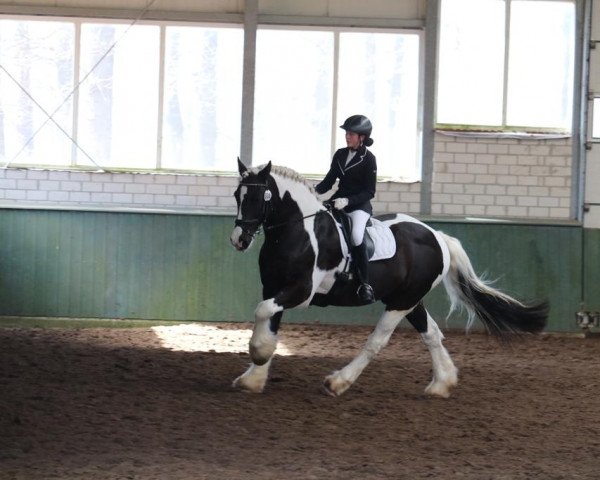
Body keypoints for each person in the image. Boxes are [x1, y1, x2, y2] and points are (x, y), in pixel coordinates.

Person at [315, 114, 377, 304]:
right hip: (337, 202)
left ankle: (364, 283)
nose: (347, 136)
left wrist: (348, 201)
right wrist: (313, 192)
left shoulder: (369, 159)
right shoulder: (340, 154)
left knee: (357, 236)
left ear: (362, 137)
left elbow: (369, 191)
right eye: (347, 133)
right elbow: (329, 180)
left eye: (351, 134)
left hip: (359, 206)